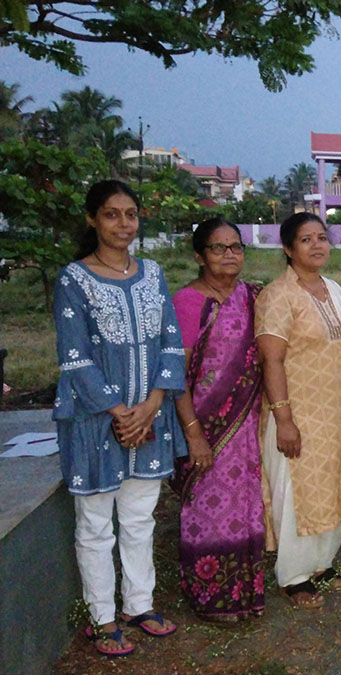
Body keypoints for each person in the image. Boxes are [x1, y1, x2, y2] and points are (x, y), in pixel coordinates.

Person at [54, 180, 185, 655]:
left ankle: (139, 603)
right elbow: (75, 355)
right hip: (94, 420)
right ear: (93, 219)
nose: (123, 224)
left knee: (139, 517)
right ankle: (102, 617)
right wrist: (116, 411)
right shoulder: (74, 279)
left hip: (150, 417)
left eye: (130, 214)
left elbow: (171, 343)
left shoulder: (152, 274)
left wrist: (151, 406)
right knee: (94, 523)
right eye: (112, 215)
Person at [256, 213, 341, 609]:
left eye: (322, 238)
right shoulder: (278, 295)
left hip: (337, 415)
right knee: (300, 494)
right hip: (298, 417)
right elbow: (271, 361)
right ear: (287, 249)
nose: (317, 246)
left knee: (333, 488)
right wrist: (284, 420)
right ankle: (294, 576)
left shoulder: (331, 288)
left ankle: (321, 564)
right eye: (306, 240)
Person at [171, 217, 266, 622]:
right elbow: (177, 375)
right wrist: (194, 434)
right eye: (218, 247)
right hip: (205, 427)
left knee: (246, 507)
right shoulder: (186, 302)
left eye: (235, 247)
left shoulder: (254, 297)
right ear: (199, 255)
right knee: (207, 513)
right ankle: (211, 596)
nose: (229, 254)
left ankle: (246, 594)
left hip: (247, 425)